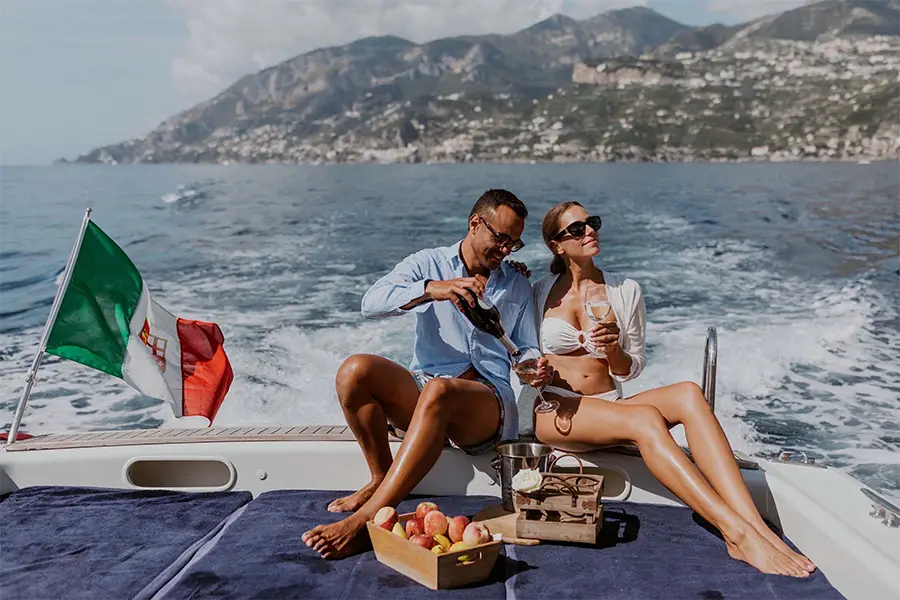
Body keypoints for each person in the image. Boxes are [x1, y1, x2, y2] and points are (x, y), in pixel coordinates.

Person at [522, 200, 815, 578]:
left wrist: (613, 350)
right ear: (556, 245)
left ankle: (754, 525)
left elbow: (629, 370)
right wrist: (533, 370)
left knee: (689, 393)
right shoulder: (537, 292)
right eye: (576, 229)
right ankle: (736, 533)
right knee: (645, 419)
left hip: (608, 405)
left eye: (592, 223)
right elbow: (521, 354)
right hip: (557, 411)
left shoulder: (625, 290)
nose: (590, 231)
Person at [302, 189, 553, 559]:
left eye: (514, 244)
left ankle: (368, 520)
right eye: (500, 238)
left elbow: (527, 346)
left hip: (487, 404)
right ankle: (379, 479)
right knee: (355, 371)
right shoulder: (428, 263)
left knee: (440, 390)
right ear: (475, 223)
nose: (505, 251)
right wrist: (431, 289)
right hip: (425, 392)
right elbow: (370, 303)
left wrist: (533, 365)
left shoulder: (515, 283)